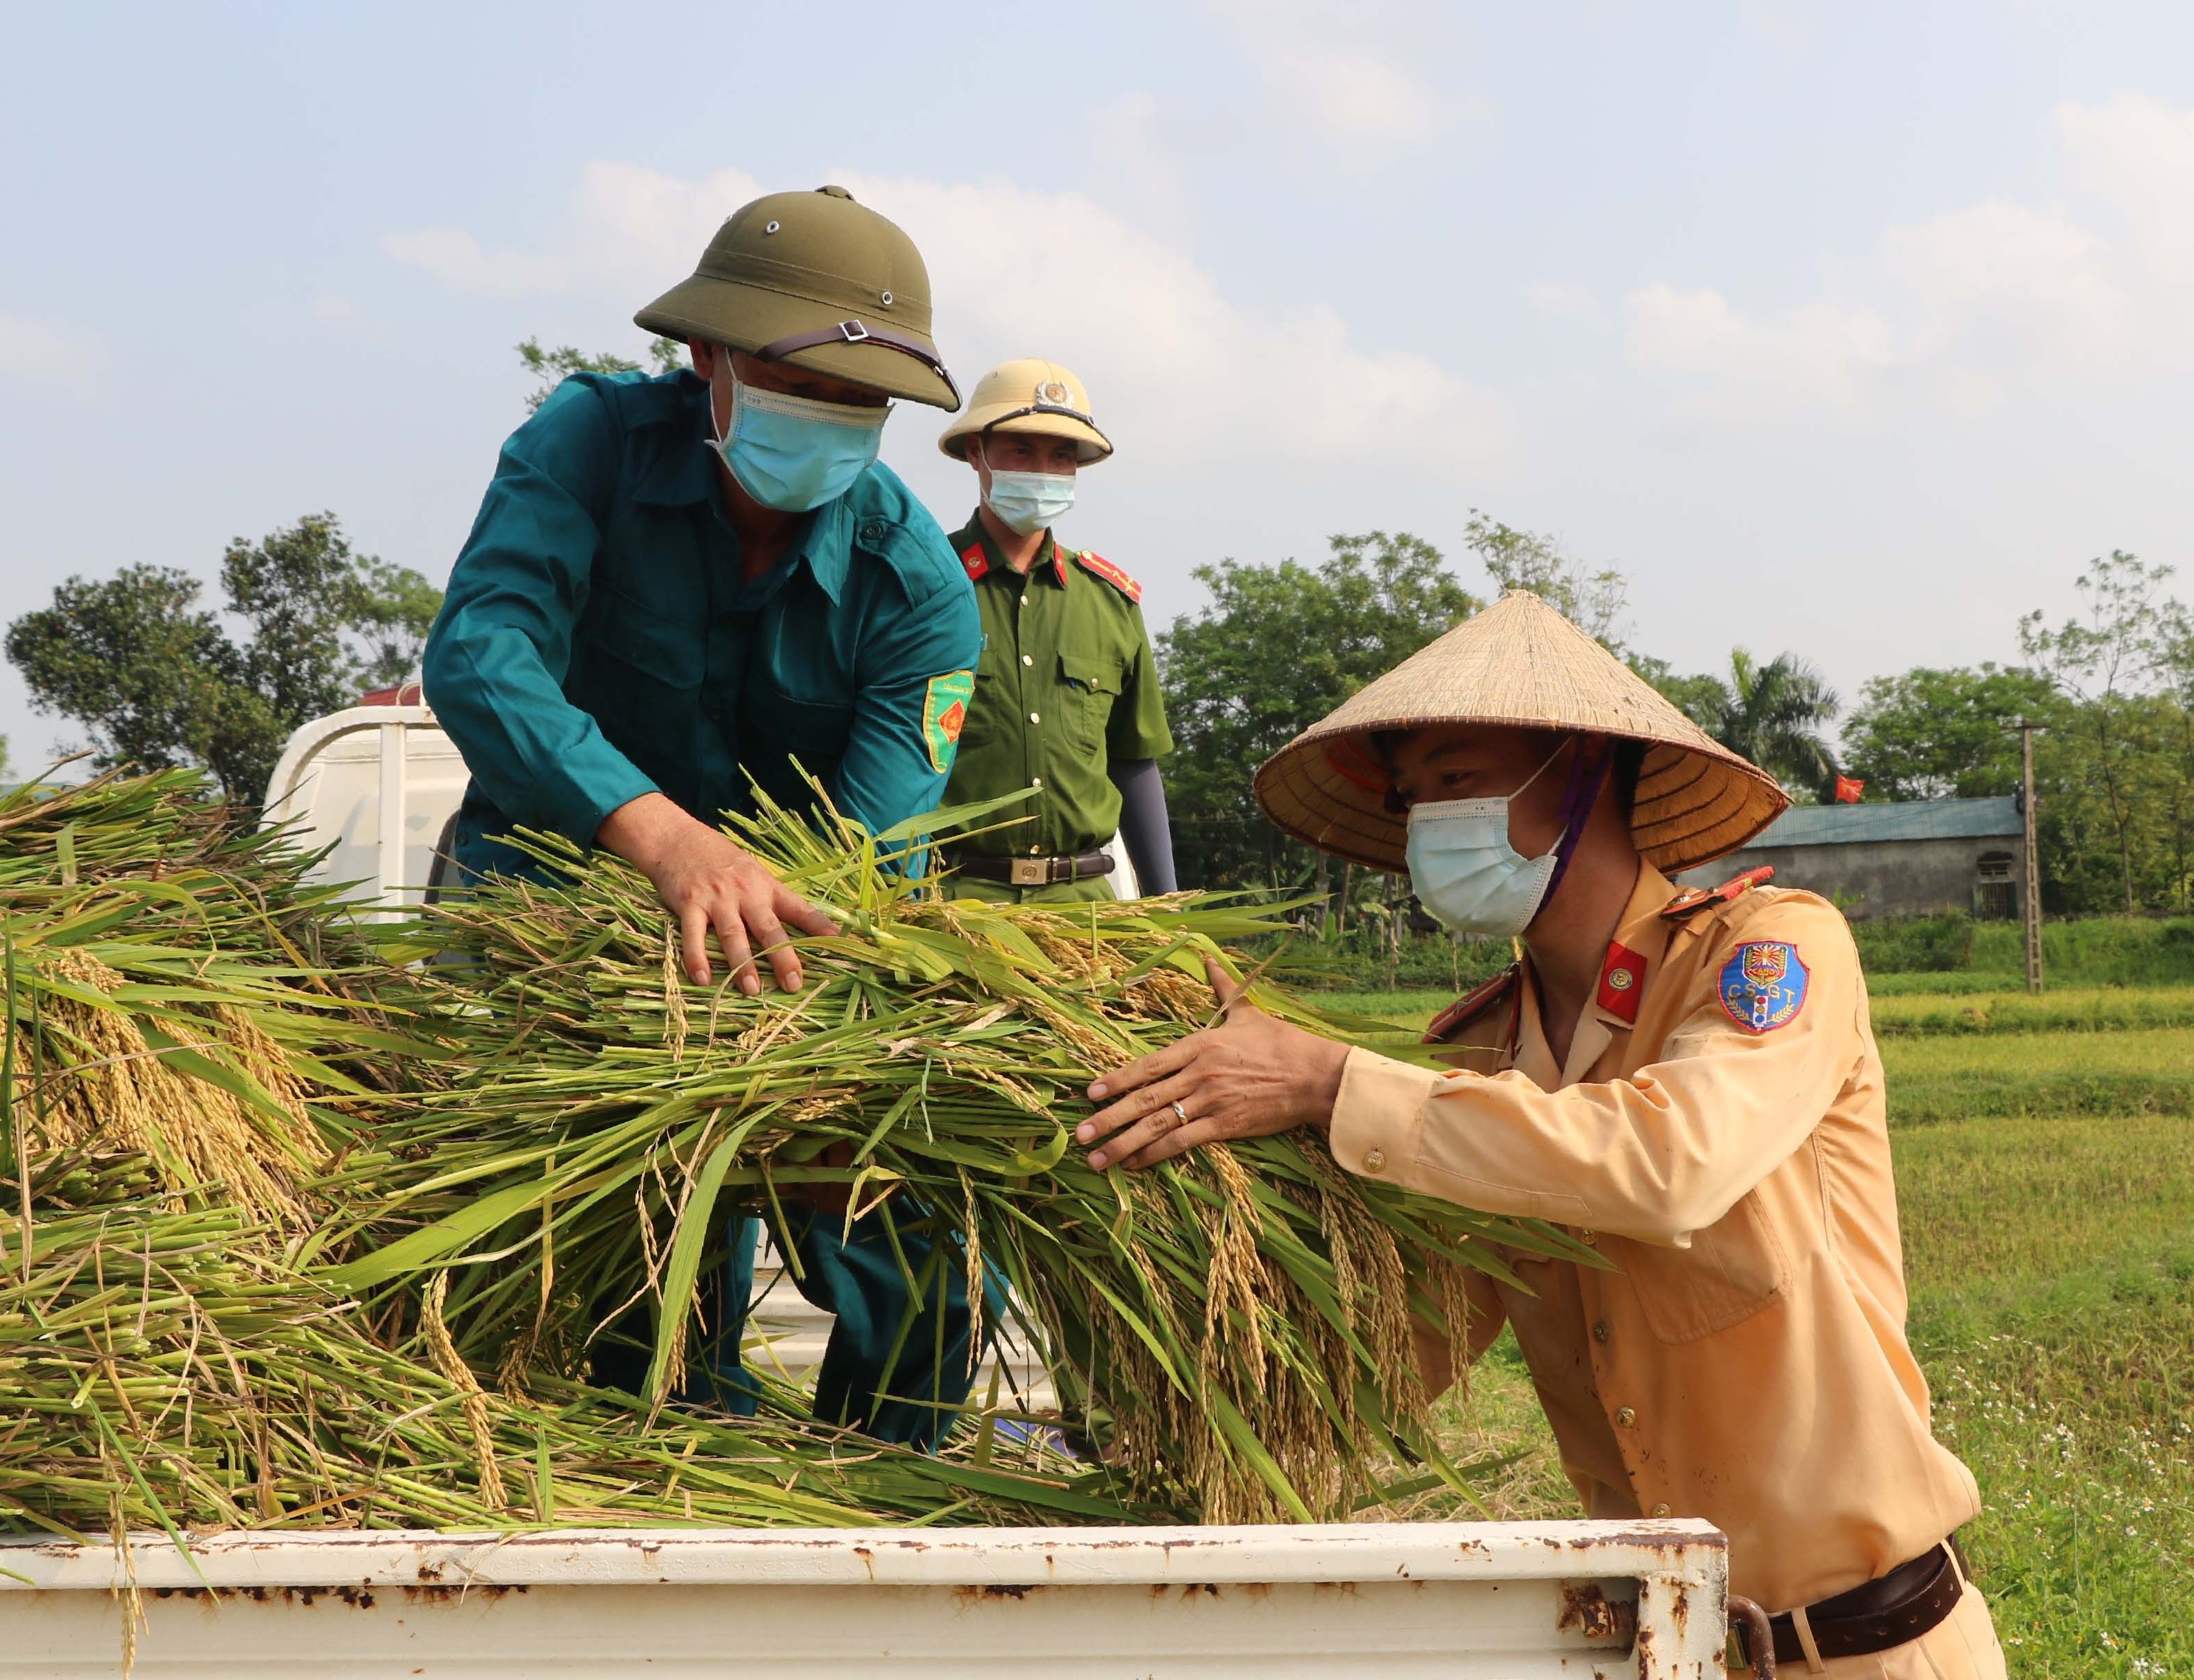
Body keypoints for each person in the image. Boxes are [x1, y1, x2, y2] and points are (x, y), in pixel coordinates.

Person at [1069, 592, 2007, 1677]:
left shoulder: (1763, 953)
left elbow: (1672, 1165)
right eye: (1414, 796)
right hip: (1664, 1647)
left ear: (1582, 771)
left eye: (1459, 782)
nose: (1430, 822)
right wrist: (1183, 1226)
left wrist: (1329, 1084)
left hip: (1864, 1649)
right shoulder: (1481, 1057)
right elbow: (1406, 1339)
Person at [421, 184, 986, 1449]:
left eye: (860, 404)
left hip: (785, 931)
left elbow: (867, 851)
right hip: (554, 899)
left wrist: (760, 948)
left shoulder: (921, 591)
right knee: (636, 1258)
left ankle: (892, 1505)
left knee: (922, 1256)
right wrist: (660, 835)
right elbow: (481, 653)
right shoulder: (588, 445)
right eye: (801, 384)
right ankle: (654, 1478)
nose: (831, 423)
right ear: (707, 359)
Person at [931, 359, 1176, 901]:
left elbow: (1135, 762)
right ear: (977, 452)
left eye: (1062, 455)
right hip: (955, 905)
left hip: (1087, 908)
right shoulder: (922, 586)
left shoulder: (1110, 602)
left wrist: (1169, 907)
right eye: (1022, 450)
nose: (1043, 469)